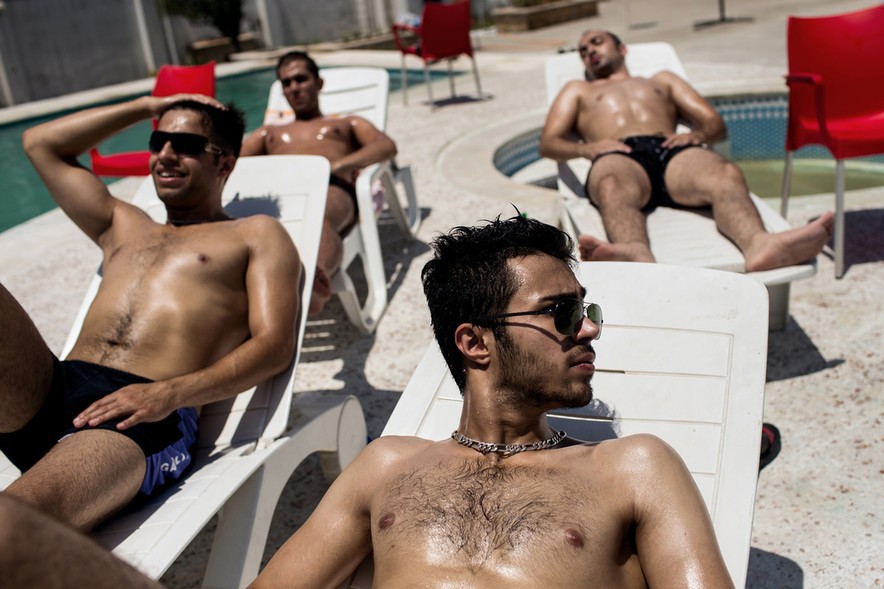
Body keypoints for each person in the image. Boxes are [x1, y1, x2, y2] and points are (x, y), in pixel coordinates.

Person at [249, 215, 735, 588]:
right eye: (561, 312)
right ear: (475, 343)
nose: (588, 328)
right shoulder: (386, 465)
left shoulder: (633, 469)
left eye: (586, 310)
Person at [0, 93, 302, 531]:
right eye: (158, 141)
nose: (165, 155)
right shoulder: (121, 222)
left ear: (225, 163)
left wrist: (169, 394)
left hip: (144, 417)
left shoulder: (255, 234)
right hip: (55, 387)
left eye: (187, 145)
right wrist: (148, 105)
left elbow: (274, 346)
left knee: (15, 519)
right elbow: (39, 144)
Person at [540, 30, 833, 271]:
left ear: (622, 48)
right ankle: (634, 250)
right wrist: (589, 148)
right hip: (617, 155)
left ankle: (759, 244)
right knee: (611, 184)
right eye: (582, 50)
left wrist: (697, 136)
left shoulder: (662, 80)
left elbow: (714, 123)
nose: (589, 50)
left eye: (596, 42)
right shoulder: (578, 89)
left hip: (671, 151)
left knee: (724, 172)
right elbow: (549, 143)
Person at [241, 50, 398, 315]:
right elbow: (232, 163)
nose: (294, 88)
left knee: (320, 213)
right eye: (287, 83)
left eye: (301, 79)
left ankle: (314, 283)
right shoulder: (269, 133)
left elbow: (386, 146)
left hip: (331, 188)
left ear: (319, 83)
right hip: (283, 195)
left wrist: (335, 167)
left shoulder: (346, 123)